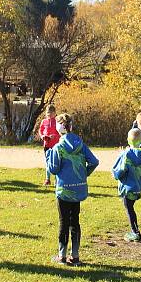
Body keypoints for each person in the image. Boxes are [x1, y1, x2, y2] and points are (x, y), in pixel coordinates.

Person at [46, 113, 99, 266]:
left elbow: (54, 169)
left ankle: (62, 255)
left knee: (63, 222)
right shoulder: (81, 145)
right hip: (78, 189)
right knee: (75, 221)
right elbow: (94, 162)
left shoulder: (58, 147)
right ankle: (75, 256)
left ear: (59, 128)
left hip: (64, 190)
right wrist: (83, 174)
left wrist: (48, 157)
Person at [112, 128, 141, 242]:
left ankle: (135, 233)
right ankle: (135, 231)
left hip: (128, 188)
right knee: (130, 207)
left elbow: (120, 170)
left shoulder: (126, 154)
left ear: (128, 140)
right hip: (138, 186)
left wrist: (115, 175)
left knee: (129, 209)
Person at [37, 104, 61, 186]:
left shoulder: (58, 121)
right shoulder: (44, 121)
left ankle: (57, 180)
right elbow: (41, 130)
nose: (49, 114)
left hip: (56, 145)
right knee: (48, 162)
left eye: (51, 113)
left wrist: (55, 136)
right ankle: (47, 179)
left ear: (55, 113)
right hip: (47, 144)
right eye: (48, 113)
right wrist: (43, 136)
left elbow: (61, 133)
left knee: (57, 162)